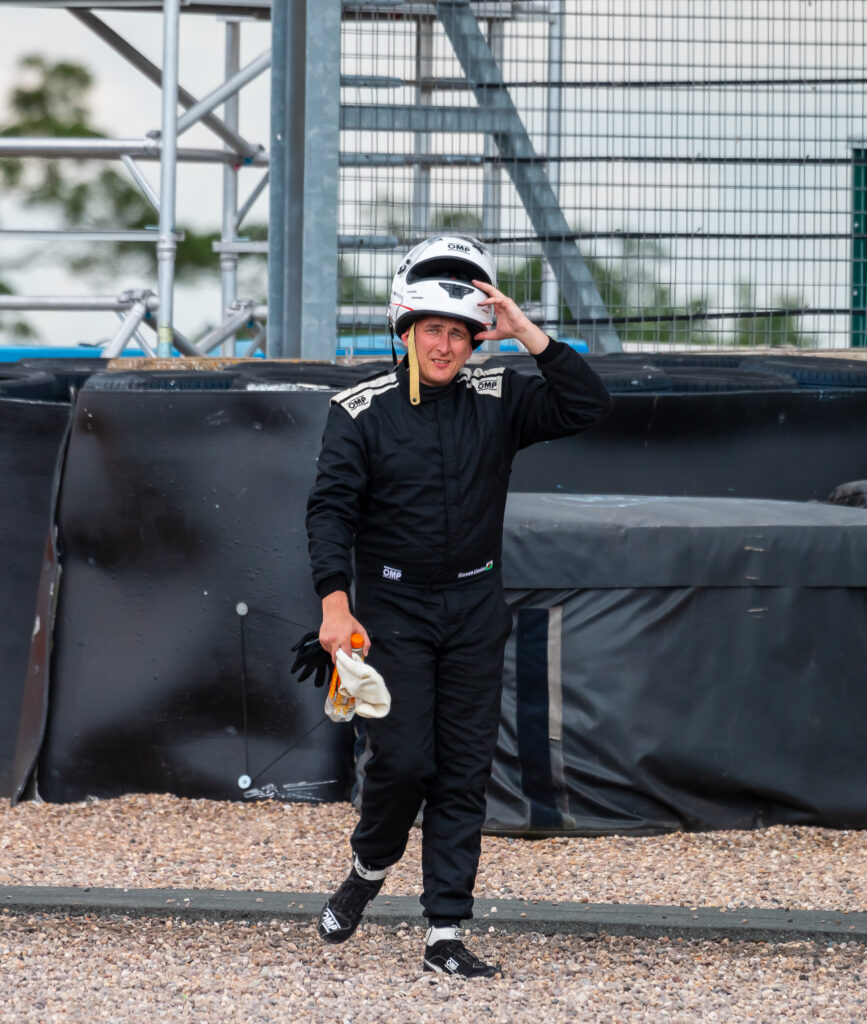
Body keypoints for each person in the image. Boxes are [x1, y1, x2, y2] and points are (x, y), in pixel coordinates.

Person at [304, 234, 611, 977]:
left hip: (476, 603)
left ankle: (445, 931)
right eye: (431, 330)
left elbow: (586, 403)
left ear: (476, 338)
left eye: (459, 333)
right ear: (403, 331)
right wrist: (334, 608)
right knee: (404, 761)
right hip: (392, 607)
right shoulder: (359, 410)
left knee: (464, 769)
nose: (445, 346)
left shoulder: (501, 396)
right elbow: (329, 512)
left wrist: (526, 332)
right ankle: (369, 868)